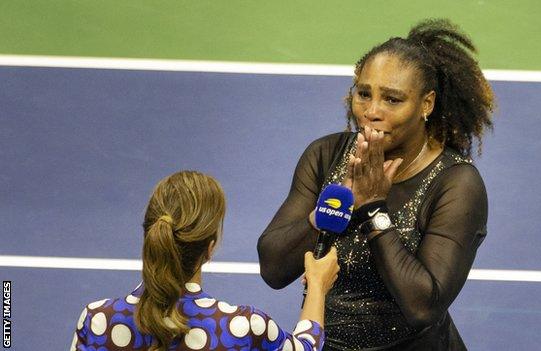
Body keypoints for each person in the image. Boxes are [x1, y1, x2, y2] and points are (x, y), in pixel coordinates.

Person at [257, 18, 494, 350]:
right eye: (364, 94)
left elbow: (423, 305)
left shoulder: (456, 184)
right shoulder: (326, 155)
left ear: (426, 103)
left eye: (392, 100)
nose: (371, 111)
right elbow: (273, 268)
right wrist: (329, 212)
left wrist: (373, 209)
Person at [71, 170, 340, 351]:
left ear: (149, 237)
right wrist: (317, 285)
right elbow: (306, 346)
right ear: (210, 248)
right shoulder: (243, 329)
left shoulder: (97, 321)